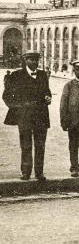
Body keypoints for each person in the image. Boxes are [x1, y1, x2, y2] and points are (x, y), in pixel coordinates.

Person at [2, 52, 52, 181]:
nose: (35, 63)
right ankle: (26, 172)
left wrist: (48, 97)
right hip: (24, 117)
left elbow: (47, 91)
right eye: (31, 60)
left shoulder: (42, 75)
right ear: (25, 60)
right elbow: (6, 96)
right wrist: (17, 109)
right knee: (26, 145)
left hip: (41, 116)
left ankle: (39, 173)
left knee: (40, 145)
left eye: (36, 60)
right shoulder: (16, 75)